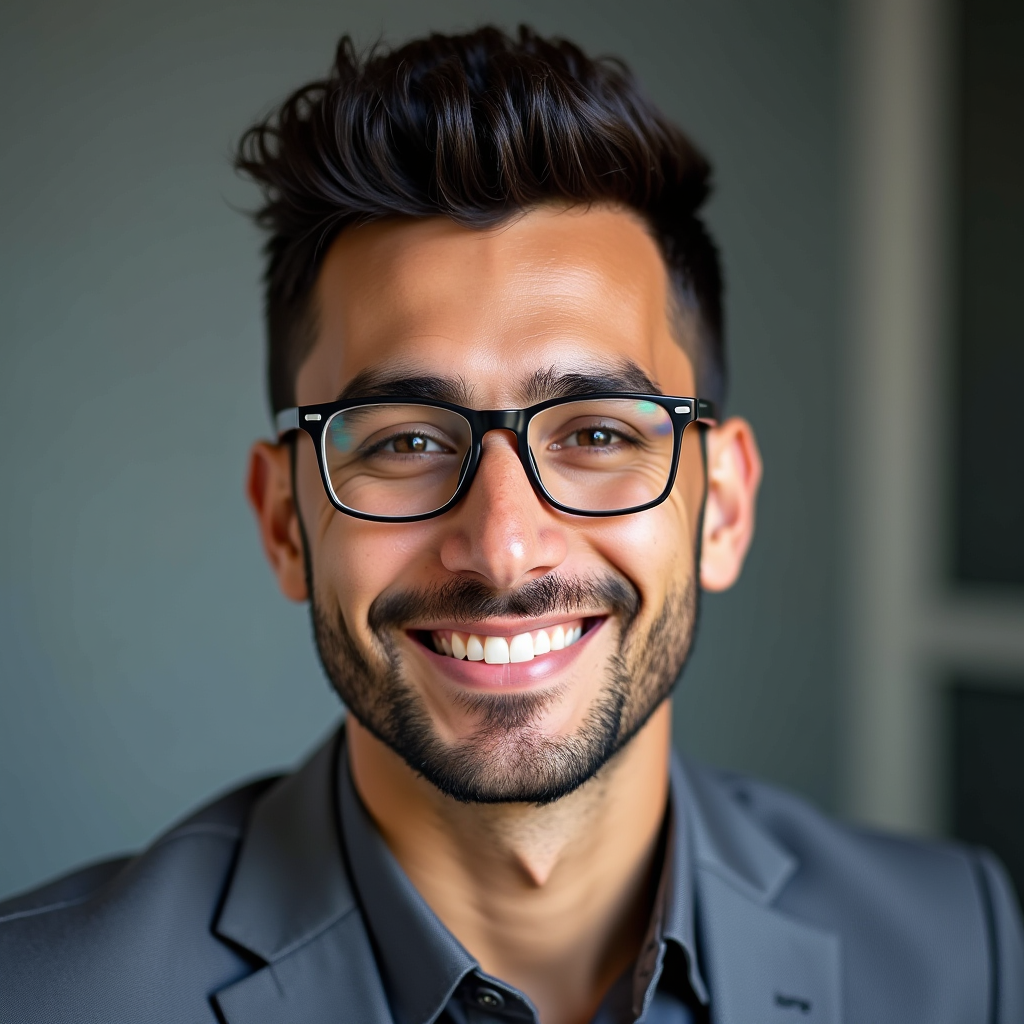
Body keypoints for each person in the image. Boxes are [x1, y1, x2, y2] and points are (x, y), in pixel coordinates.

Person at [1, 25, 1021, 1024]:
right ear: (283, 523)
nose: (502, 546)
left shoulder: (955, 950)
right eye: (404, 441)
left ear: (723, 504)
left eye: (595, 433)